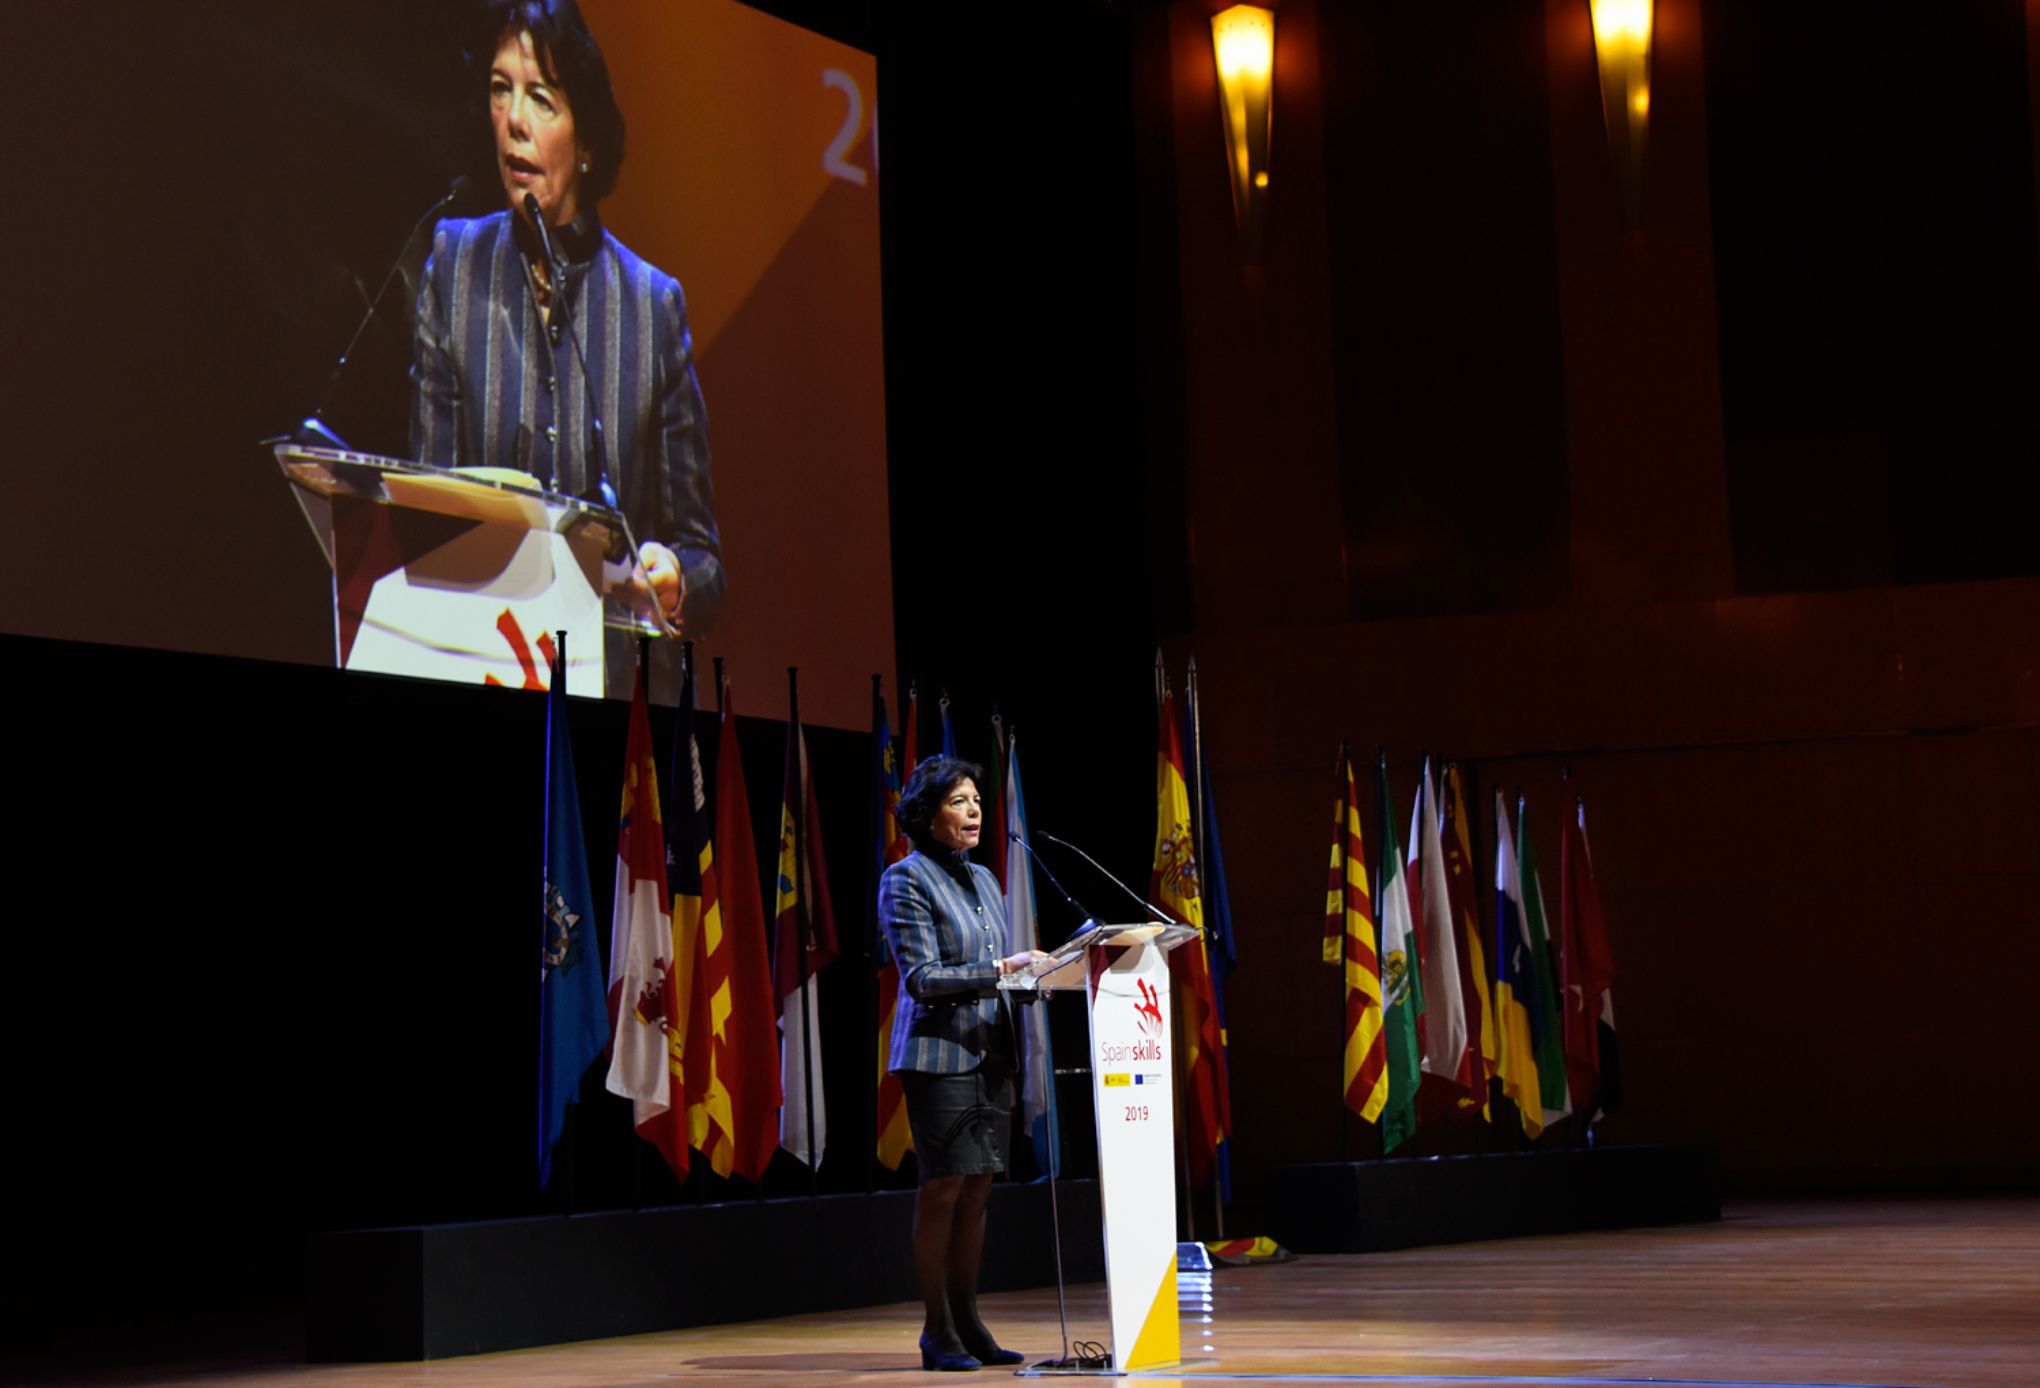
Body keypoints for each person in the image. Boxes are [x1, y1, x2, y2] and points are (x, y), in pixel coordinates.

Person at [410, 0, 725, 667]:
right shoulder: (455, 267)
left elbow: (705, 565)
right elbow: (426, 512)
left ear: (585, 142)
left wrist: (672, 579)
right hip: (480, 661)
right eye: (501, 90)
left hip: (613, 691)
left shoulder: (651, 305)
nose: (514, 121)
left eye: (542, 99)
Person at [879, 756, 1046, 1372]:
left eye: (977, 800)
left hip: (989, 1052)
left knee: (978, 1188)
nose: (975, 811)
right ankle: (936, 1329)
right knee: (945, 1186)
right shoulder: (906, 879)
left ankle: (970, 1320)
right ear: (928, 814)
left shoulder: (985, 880)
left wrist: (1039, 976)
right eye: (959, 801)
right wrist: (1001, 971)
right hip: (937, 1055)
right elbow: (922, 979)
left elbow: (1001, 973)